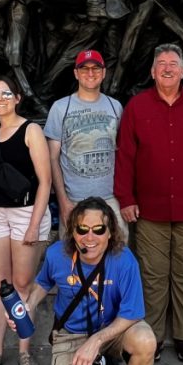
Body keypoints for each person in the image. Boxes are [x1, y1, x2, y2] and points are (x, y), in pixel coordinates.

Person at [114, 44, 183, 363]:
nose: (166, 68)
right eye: (160, 63)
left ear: (182, 71)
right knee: (153, 276)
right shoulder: (137, 106)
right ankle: (153, 338)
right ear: (152, 72)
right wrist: (126, 198)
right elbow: (125, 156)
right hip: (149, 211)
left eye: (173, 64)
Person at [18, 198, 156, 365]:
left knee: (145, 340)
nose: (89, 237)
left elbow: (133, 313)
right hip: (70, 334)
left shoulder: (125, 260)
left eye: (98, 230)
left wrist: (97, 340)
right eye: (82, 229)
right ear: (73, 230)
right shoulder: (56, 254)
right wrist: (29, 306)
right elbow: (42, 283)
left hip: (112, 330)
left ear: (111, 232)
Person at [0, 73, 52, 365]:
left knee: (21, 285)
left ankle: (23, 350)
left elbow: (45, 182)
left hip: (25, 213)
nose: (0, 100)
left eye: (6, 94)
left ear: (18, 98)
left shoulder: (31, 130)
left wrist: (34, 225)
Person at [44, 49, 125, 238]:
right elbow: (52, 158)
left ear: (104, 73)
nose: (90, 73)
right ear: (76, 73)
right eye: (84, 69)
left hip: (111, 199)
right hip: (74, 199)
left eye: (96, 68)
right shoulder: (60, 108)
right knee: (74, 260)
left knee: (116, 256)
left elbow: (122, 152)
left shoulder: (116, 106)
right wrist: (63, 202)